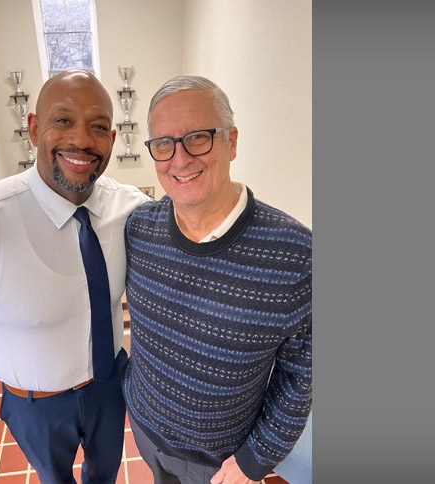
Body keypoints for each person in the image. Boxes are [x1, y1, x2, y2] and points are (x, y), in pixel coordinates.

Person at [0, 69, 150, 484]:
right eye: (63, 120)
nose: (81, 140)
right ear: (35, 127)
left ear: (112, 140)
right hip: (35, 406)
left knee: (105, 475)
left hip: (109, 387)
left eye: (97, 126)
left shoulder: (131, 210)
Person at [121, 75, 312, 484]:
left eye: (198, 137)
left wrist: (254, 459)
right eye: (163, 145)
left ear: (232, 141)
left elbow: (304, 375)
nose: (180, 159)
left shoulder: (296, 255)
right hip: (145, 429)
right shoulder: (139, 229)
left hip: (220, 462)